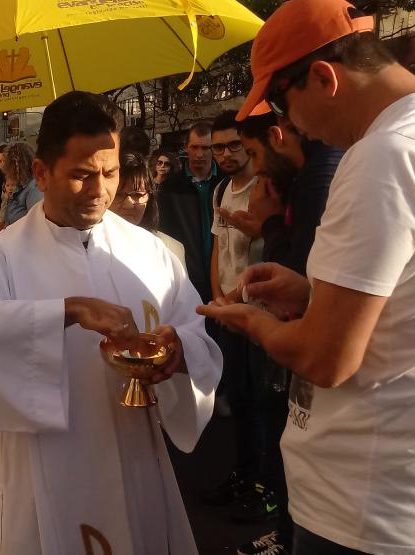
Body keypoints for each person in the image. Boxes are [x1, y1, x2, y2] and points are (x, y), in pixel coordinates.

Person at [0, 91, 222, 554]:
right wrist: (67, 311)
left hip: (134, 450)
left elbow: (193, 330)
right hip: (46, 461)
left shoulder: (148, 250)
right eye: (81, 175)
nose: (99, 191)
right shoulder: (0, 256)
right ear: (41, 173)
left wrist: (177, 351)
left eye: (108, 174)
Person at [198, 1, 415, 553]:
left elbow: (326, 358)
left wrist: (253, 322)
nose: (286, 126)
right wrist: (313, 292)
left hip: (361, 497)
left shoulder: (380, 158)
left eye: (279, 103)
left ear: (324, 77)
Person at [227, 112, 342, 555]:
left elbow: (302, 272)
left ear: (277, 136)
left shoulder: (321, 174)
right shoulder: (315, 172)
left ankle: (288, 530)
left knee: (283, 424)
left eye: (253, 153)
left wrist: (271, 224)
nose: (254, 168)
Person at [202, 110, 271, 523]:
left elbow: (268, 253)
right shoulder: (221, 190)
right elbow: (217, 250)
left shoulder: (266, 186)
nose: (225, 153)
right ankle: (243, 477)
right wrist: (217, 298)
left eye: (232, 144)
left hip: (261, 313)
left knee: (263, 403)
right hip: (229, 312)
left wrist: (228, 298)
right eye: (217, 147)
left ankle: (264, 489)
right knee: (241, 399)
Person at [159, 122, 227, 302]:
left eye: (205, 148)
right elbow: (164, 234)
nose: (199, 154)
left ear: (213, 149)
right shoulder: (169, 188)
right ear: (186, 148)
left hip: (225, 278)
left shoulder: (227, 183)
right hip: (187, 279)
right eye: (195, 147)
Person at [111, 151, 186, 268]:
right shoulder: (84, 249)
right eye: (119, 195)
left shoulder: (171, 250)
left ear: (149, 198)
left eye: (138, 195)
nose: (129, 204)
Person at [0, 141, 43, 229]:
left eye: (6, 163)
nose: (4, 167)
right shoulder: (20, 187)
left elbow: (36, 225)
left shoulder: (33, 189)